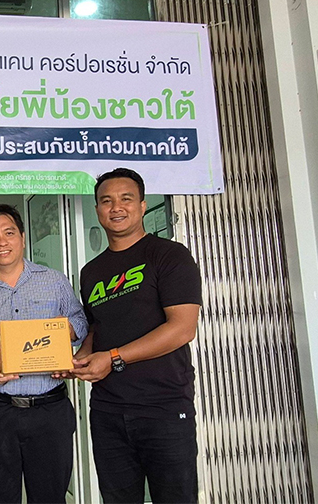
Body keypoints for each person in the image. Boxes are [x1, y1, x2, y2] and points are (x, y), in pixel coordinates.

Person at [72, 168, 202, 504]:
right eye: (106, 201)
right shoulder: (91, 272)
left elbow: (182, 328)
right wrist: (79, 358)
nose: (116, 207)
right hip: (108, 411)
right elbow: (96, 328)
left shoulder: (169, 255)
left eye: (126, 199)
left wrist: (113, 358)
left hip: (163, 409)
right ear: (97, 210)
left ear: (142, 206)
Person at [0, 204, 88, 504]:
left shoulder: (54, 281)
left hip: (49, 411)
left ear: (22, 237)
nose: (1, 242)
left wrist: (60, 336)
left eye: (8, 233)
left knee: (50, 498)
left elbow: (80, 321)